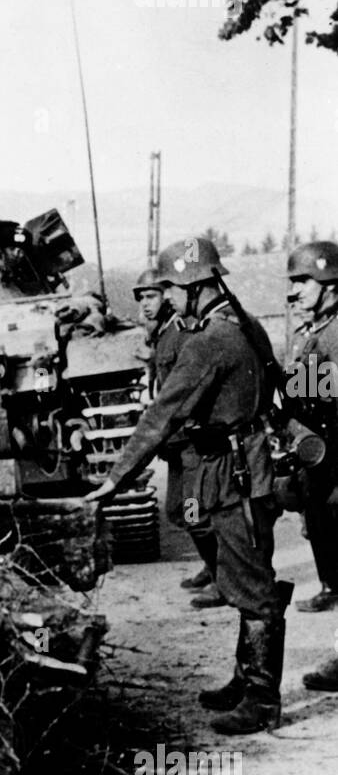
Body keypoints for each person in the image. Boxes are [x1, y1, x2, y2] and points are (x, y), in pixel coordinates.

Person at [86, 235, 290, 735]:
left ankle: (262, 700)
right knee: (249, 573)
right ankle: (246, 679)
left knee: (253, 585)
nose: (169, 298)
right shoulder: (245, 325)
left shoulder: (207, 343)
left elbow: (162, 415)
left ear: (195, 286)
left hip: (233, 474)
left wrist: (115, 479)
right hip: (250, 466)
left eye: (173, 289)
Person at [133, 266, 223, 607]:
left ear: (168, 297)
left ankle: (222, 577)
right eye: (141, 297)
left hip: (188, 442)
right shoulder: (163, 334)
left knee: (193, 512)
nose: (145, 304)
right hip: (175, 445)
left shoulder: (182, 332)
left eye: (152, 296)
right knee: (179, 511)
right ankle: (211, 565)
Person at [285, 242, 338, 616]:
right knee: (315, 512)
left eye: (304, 281)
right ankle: (330, 584)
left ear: (329, 283)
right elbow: (303, 387)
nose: (295, 290)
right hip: (315, 443)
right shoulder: (309, 331)